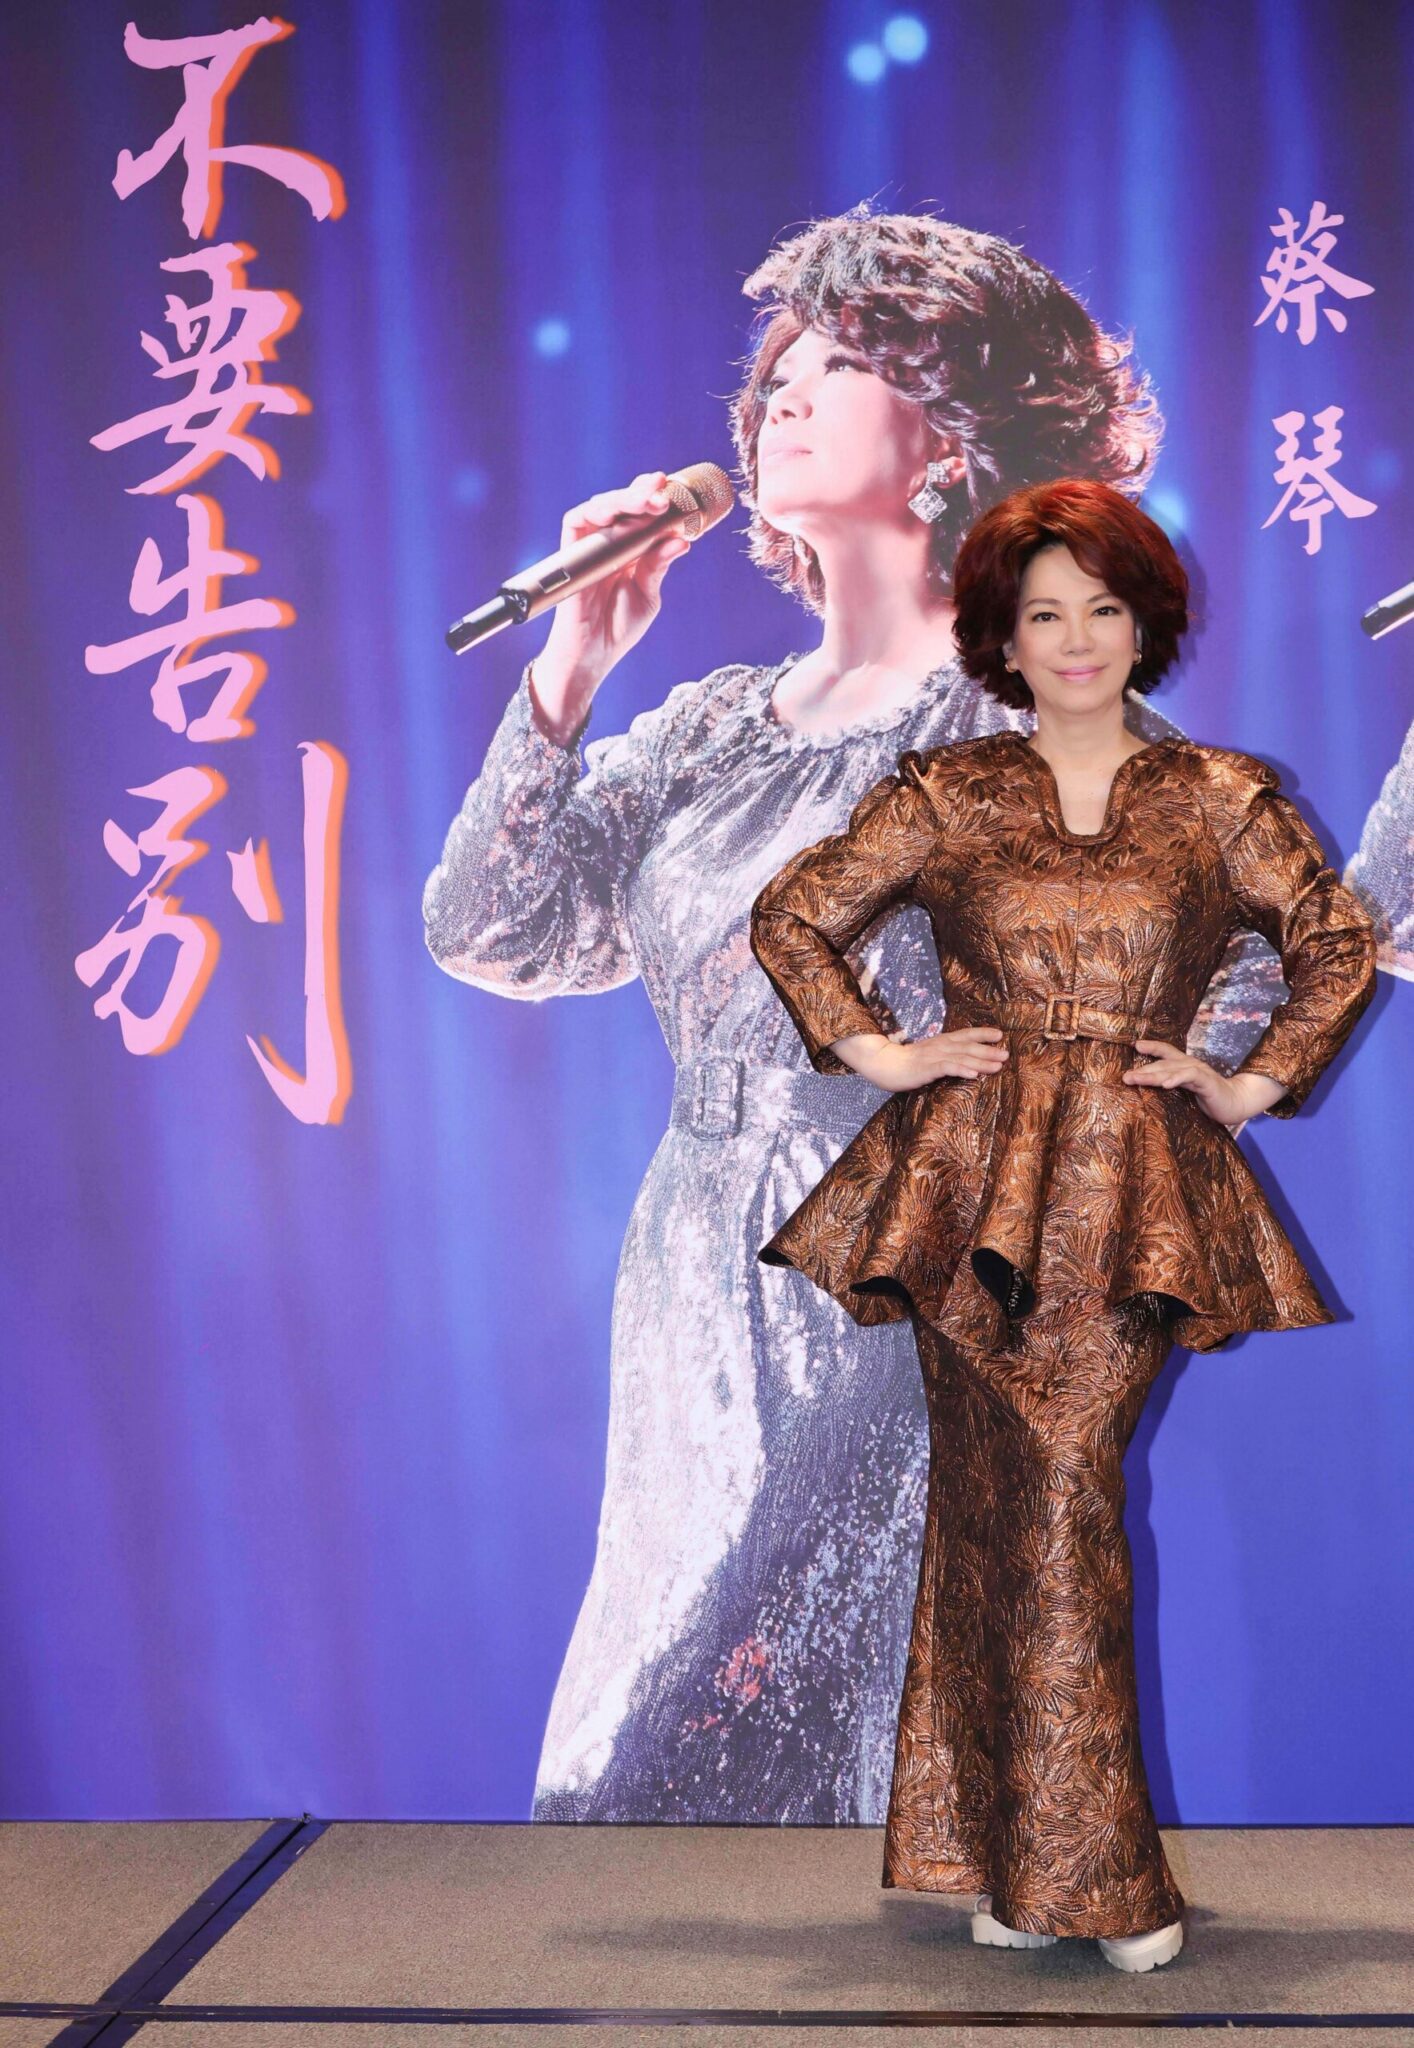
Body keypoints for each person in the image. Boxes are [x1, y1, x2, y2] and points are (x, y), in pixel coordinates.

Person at [423, 205, 1286, 1824]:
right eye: (775, 373)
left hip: (928, 1270)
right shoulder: (705, 732)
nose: (783, 396)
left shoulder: (1026, 722)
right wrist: (572, 666)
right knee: (663, 1695)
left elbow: (1246, 942)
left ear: (948, 436)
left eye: (840, 363)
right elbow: (495, 932)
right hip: (700, 1264)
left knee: (804, 1698)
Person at [749, 476, 1376, 1966]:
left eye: (1102, 607)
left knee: (1060, 1497)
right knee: (989, 1513)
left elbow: (1337, 940)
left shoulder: (1219, 795)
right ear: (1002, 638)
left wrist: (1247, 1081)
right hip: (965, 1193)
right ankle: (1007, 1861)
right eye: (1044, 614)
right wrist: (880, 1053)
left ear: (1142, 624)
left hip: (1135, 1198)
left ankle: (1086, 1878)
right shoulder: (945, 793)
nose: (1077, 638)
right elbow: (792, 915)